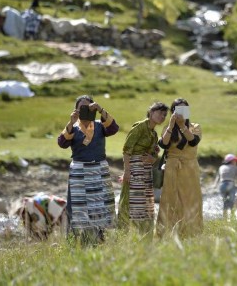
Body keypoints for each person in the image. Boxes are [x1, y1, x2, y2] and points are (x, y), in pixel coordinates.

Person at [57, 95, 118, 244]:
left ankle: (98, 237)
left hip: (99, 170)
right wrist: (71, 122)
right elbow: (62, 143)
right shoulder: (73, 127)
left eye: (88, 107)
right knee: (77, 207)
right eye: (81, 107)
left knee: (100, 206)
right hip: (79, 172)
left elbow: (114, 128)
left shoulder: (99, 125)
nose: (85, 110)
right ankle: (75, 240)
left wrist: (100, 109)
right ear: (76, 110)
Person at [118, 102, 168, 238]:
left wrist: (153, 158)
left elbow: (154, 154)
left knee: (145, 205)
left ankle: (144, 236)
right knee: (129, 203)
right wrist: (127, 171)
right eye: (159, 112)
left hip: (146, 173)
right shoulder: (140, 127)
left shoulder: (154, 134)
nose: (162, 116)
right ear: (151, 112)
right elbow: (127, 150)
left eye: (164, 114)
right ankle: (122, 236)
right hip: (134, 170)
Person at [156, 98, 203, 238]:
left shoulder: (195, 126)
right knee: (170, 199)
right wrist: (171, 125)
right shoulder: (167, 128)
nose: (182, 112)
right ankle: (167, 233)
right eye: (179, 109)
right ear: (173, 112)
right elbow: (163, 144)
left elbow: (193, 141)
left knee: (191, 199)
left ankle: (191, 233)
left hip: (190, 168)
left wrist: (183, 126)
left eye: (185, 109)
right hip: (172, 168)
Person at [216, 154, 237, 219]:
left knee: (224, 202)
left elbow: (218, 178)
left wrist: (215, 186)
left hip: (222, 185)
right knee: (231, 202)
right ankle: (231, 218)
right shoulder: (235, 167)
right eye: (234, 160)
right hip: (231, 184)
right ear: (231, 161)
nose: (236, 162)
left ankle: (224, 218)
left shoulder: (221, 167)